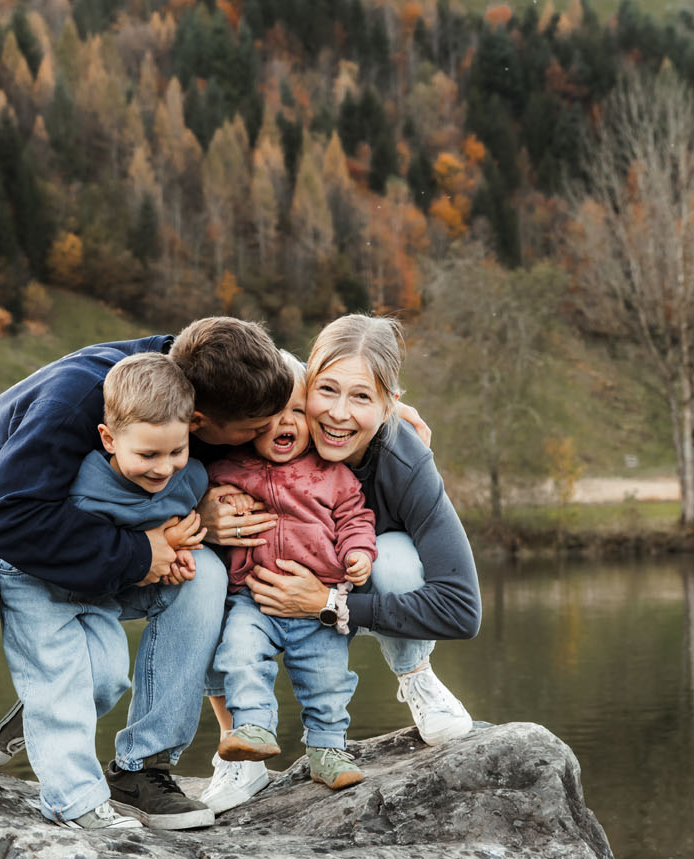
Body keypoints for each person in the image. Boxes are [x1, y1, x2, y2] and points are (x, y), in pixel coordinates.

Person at [0, 317, 293, 831]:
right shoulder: (78, 398)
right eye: (253, 431)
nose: (265, 435)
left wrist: (196, 518)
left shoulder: (229, 378)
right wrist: (140, 554)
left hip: (79, 538)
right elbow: (7, 519)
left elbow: (312, 385)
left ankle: (142, 769)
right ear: (199, 420)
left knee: (203, 577)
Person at [198, 314, 481, 813]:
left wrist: (328, 603)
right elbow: (170, 439)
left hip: (345, 591)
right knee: (199, 576)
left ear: (389, 405)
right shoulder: (257, 429)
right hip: (254, 592)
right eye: (326, 390)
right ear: (303, 385)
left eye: (362, 398)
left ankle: (416, 675)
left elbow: (461, 610)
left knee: (394, 557)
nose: (338, 414)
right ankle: (237, 747)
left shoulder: (403, 459)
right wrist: (201, 506)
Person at [0, 353, 207, 829]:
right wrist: (146, 551)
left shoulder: (188, 475)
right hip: (35, 582)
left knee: (109, 679)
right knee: (61, 686)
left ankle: (41, 709)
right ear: (109, 440)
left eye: (176, 451)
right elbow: (42, 528)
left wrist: (179, 547)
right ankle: (73, 802)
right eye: (148, 456)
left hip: (97, 591)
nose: (164, 468)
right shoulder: (81, 477)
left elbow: (173, 518)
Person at [205, 358, 377, 796]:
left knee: (328, 680)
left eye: (298, 411)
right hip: (254, 598)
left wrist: (358, 552)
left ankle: (328, 750)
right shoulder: (230, 468)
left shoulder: (332, 474)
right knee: (239, 654)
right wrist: (216, 498)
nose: (286, 422)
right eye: (274, 413)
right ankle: (253, 728)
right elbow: (199, 490)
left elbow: (356, 517)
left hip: (318, 603)